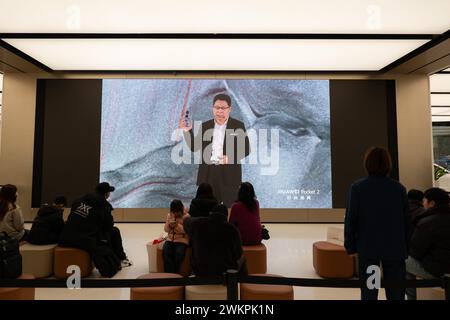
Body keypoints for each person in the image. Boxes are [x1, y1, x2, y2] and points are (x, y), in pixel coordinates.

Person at [344, 147, 410, 300]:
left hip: (369, 249)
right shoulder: (399, 188)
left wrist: (350, 246)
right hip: (395, 250)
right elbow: (407, 222)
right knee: (396, 294)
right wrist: (406, 247)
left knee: (369, 292)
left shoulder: (358, 188)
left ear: (367, 163)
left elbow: (351, 219)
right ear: (388, 164)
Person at [180, 93, 250, 207]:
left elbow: (246, 149)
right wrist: (187, 131)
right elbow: (194, 147)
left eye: (223, 108)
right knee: (209, 209)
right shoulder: (205, 126)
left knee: (230, 209)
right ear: (213, 109)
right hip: (209, 174)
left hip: (230, 173)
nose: (220, 111)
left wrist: (230, 158)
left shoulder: (238, 126)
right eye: (217, 108)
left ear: (229, 109)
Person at [59, 182, 132, 268]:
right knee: (114, 231)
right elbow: (108, 226)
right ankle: (121, 259)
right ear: (106, 194)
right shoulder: (103, 205)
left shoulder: (79, 200)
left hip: (65, 238)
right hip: (83, 240)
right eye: (109, 192)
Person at [406, 187, 450, 300]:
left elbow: (415, 252)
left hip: (440, 270)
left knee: (404, 261)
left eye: (424, 200)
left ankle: (411, 298)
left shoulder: (427, 222)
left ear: (432, 203)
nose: (423, 203)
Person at [183, 204, 246, 277]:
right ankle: (243, 284)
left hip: (200, 272)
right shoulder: (232, 230)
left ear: (210, 213)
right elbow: (238, 254)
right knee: (243, 259)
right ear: (226, 217)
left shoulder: (198, 223)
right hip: (224, 274)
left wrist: (187, 215)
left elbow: (186, 222)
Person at [162, 200, 190, 273]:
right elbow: (165, 229)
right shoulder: (170, 215)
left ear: (181, 209)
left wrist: (177, 226)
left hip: (182, 240)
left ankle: (176, 273)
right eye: (174, 212)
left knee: (179, 253)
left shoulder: (187, 217)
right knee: (166, 251)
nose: (176, 214)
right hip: (170, 239)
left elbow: (187, 231)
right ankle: (168, 274)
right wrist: (170, 226)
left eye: (177, 212)